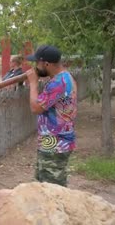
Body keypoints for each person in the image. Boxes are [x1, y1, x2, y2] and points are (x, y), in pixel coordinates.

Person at [25, 44, 77, 187]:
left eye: (37, 63)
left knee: (52, 190)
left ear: (46, 63)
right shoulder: (65, 77)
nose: (35, 66)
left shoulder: (58, 83)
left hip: (55, 144)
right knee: (44, 186)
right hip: (55, 142)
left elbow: (35, 108)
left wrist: (34, 84)